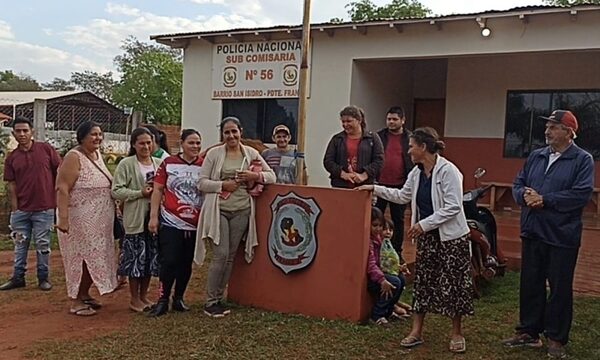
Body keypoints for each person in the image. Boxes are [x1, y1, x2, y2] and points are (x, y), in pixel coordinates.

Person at [357, 127, 472, 353]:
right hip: (427, 239)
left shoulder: (449, 171)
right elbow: (402, 196)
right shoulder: (417, 173)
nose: (408, 150)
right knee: (423, 284)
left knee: (455, 286)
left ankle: (457, 332)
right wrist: (374, 188)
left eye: (411, 146)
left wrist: (423, 224)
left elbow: (453, 207)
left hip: (451, 239)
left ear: (423, 147)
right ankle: (416, 331)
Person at [503, 110, 594, 359]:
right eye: (548, 127)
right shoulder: (537, 156)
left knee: (559, 287)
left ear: (568, 132)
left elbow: (582, 194)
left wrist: (546, 200)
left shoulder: (581, 160)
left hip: (562, 236)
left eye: (553, 127)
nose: (547, 131)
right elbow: (518, 183)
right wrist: (524, 196)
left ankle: (556, 338)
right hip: (533, 231)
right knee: (530, 283)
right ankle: (529, 331)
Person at [195, 116, 276, 318]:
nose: (231, 135)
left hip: (242, 210)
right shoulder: (214, 154)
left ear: (240, 132)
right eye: (227, 132)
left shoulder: (251, 153)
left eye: (234, 131)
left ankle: (219, 298)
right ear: (222, 135)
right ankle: (210, 300)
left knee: (230, 256)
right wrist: (222, 185)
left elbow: (272, 176)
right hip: (219, 209)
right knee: (220, 255)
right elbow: (201, 182)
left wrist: (255, 176)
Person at [55, 121, 118, 316]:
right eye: (93, 134)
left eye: (100, 134)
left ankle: (84, 294)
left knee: (97, 256)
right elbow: (62, 188)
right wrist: (63, 219)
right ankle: (75, 301)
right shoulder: (74, 157)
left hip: (100, 221)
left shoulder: (97, 155)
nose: (98, 138)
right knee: (81, 259)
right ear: (82, 137)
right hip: (79, 219)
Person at [147, 129, 204, 317]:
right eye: (191, 143)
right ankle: (162, 300)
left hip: (194, 224)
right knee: (169, 261)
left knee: (186, 263)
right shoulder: (168, 163)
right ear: (182, 143)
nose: (195, 147)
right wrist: (153, 217)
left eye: (198, 143)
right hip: (171, 221)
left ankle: (179, 298)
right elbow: (157, 190)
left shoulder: (205, 165)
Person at [0, 116, 61, 291]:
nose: (22, 134)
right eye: (18, 131)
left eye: (25, 130)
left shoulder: (46, 150)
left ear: (32, 131)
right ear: (13, 133)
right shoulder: (12, 158)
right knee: (20, 244)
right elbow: (11, 185)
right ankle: (18, 277)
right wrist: (15, 209)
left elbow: (60, 173)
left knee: (43, 244)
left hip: (44, 208)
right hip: (21, 211)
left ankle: (43, 277)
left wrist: (56, 201)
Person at [112, 127, 162, 312]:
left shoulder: (159, 163)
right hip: (135, 218)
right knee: (135, 260)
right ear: (134, 144)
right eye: (142, 143)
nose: (146, 146)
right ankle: (134, 299)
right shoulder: (126, 164)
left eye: (149, 142)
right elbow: (116, 190)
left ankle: (143, 296)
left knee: (149, 258)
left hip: (154, 218)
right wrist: (139, 193)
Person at [376, 106, 413, 260]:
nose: (391, 122)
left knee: (398, 220)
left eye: (395, 119)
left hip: (400, 186)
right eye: (389, 119)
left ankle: (397, 251)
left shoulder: (410, 138)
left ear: (402, 120)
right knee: (376, 218)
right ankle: (375, 249)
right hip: (379, 185)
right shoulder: (378, 137)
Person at [323, 105, 384, 188]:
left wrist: (364, 175)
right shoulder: (337, 139)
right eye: (343, 121)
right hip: (340, 186)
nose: (345, 124)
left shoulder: (372, 138)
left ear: (359, 120)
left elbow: (379, 160)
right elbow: (328, 161)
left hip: (365, 187)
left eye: (349, 121)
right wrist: (343, 174)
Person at [367, 207, 405, 325]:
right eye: (375, 225)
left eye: (380, 226)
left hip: (381, 271)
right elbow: (371, 265)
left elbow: (386, 259)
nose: (378, 229)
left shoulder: (380, 240)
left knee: (401, 279)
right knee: (395, 282)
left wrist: (398, 267)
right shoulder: (369, 242)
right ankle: (377, 314)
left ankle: (388, 311)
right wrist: (382, 280)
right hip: (373, 277)